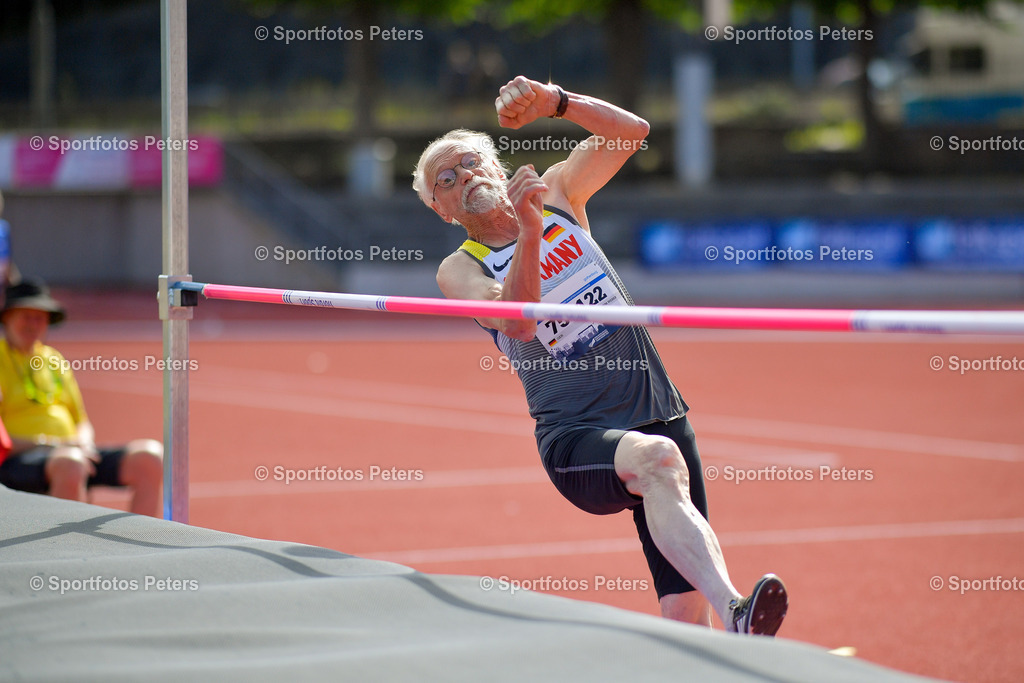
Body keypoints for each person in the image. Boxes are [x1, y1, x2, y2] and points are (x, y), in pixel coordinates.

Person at [413, 76, 788, 635]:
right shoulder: (461, 268)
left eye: (471, 162)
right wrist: (532, 231)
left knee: (685, 616)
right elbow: (517, 320)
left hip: (657, 409)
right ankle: (739, 609)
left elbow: (630, 133)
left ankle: (718, 627)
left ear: (496, 166)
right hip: (576, 437)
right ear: (442, 210)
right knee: (657, 460)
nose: (464, 175)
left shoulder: (559, 192)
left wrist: (556, 102)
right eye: (446, 178)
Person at [0, 279, 163, 517]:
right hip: (20, 460)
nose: (33, 324)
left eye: (40, 317)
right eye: (26, 316)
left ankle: (147, 544)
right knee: (71, 463)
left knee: (149, 457)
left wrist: (84, 444)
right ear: (7, 319)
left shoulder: (54, 359)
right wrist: (53, 445)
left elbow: (82, 420)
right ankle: (65, 552)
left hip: (72, 452)